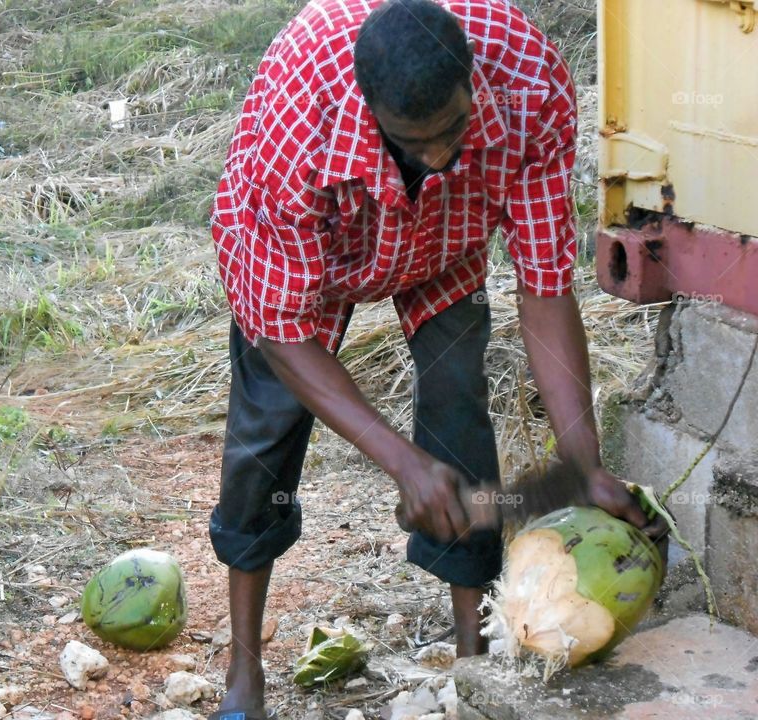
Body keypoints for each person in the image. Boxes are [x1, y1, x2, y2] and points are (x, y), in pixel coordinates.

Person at [207, 1, 665, 718]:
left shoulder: (529, 83)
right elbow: (282, 329)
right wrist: (402, 463)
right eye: (413, 143)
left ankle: (472, 650)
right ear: (371, 111)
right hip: (310, 259)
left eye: (453, 130)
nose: (440, 157)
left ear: (473, 82)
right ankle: (245, 666)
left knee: (458, 396)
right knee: (265, 436)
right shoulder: (297, 117)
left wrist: (582, 464)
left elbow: (545, 287)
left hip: (443, 238)